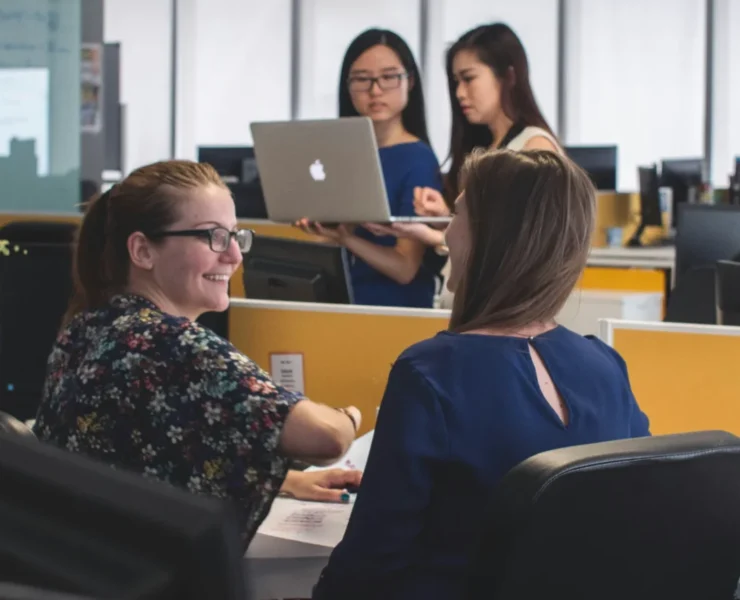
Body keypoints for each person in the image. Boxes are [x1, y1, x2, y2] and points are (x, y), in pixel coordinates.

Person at [312, 150, 651, 600]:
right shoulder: (605, 366)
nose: (447, 233)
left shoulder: (430, 373)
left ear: (491, 239)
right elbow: (642, 511)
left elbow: (369, 563)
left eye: (457, 215)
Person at [33, 160, 362, 547]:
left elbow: (139, 458)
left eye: (235, 236)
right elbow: (327, 439)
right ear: (142, 250)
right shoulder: (174, 344)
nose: (235, 256)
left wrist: (286, 480)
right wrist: (350, 417)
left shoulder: (89, 326)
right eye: (213, 237)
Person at [366, 22, 561, 288]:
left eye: (469, 79)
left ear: (508, 76)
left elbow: (521, 250)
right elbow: (486, 230)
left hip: (503, 315)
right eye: (456, 82)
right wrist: (446, 217)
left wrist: (435, 237)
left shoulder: (534, 147)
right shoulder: (489, 148)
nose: (459, 93)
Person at [297, 29, 445, 308]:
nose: (375, 90)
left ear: (409, 81)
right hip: (341, 303)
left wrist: (347, 239)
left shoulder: (417, 159)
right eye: (362, 79)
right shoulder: (342, 153)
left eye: (389, 77)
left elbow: (405, 269)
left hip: (391, 311)